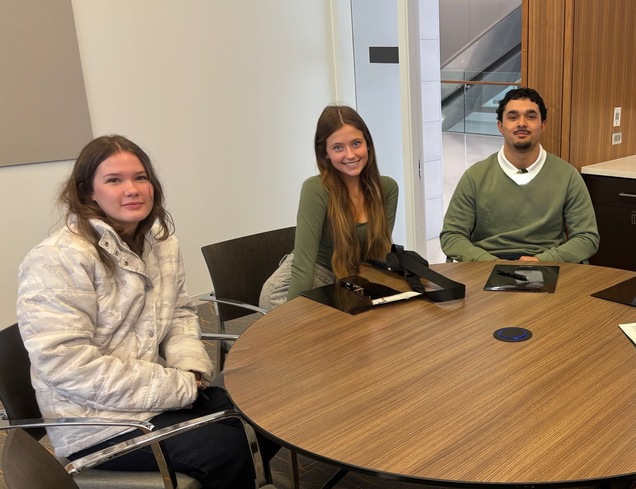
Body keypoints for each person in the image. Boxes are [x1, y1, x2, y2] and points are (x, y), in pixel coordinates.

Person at [17, 135, 279, 488]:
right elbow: (67, 365)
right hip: (95, 422)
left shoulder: (159, 241)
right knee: (229, 449)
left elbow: (180, 312)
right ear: (88, 192)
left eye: (140, 177)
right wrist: (177, 385)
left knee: (268, 417)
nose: (132, 189)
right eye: (114, 180)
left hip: (154, 395)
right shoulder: (57, 258)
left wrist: (189, 367)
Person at [260, 105, 399, 309]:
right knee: (311, 331)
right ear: (325, 153)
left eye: (356, 143)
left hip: (350, 274)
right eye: (338, 148)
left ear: (367, 144)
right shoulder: (315, 189)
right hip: (310, 276)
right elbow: (303, 266)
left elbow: (377, 253)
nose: (350, 155)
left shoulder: (387, 188)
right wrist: (293, 319)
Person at [440, 87, 599, 263]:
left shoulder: (568, 176)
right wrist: (489, 263)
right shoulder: (475, 177)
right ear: (501, 126)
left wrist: (543, 261)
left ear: (543, 124)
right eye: (513, 117)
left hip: (548, 264)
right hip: (486, 265)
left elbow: (587, 237)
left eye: (531, 117)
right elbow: (452, 236)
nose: (521, 123)